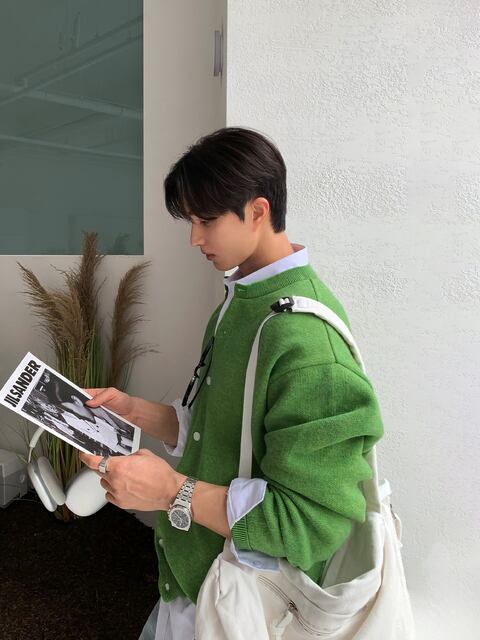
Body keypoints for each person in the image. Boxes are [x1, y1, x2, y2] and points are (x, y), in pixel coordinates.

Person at [79, 127, 384, 640]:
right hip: (198, 583)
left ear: (258, 211)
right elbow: (220, 429)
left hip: (246, 606)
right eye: (191, 221)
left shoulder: (307, 342)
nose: (194, 239)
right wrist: (134, 411)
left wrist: (171, 491)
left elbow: (307, 523)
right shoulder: (241, 301)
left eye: (206, 220)